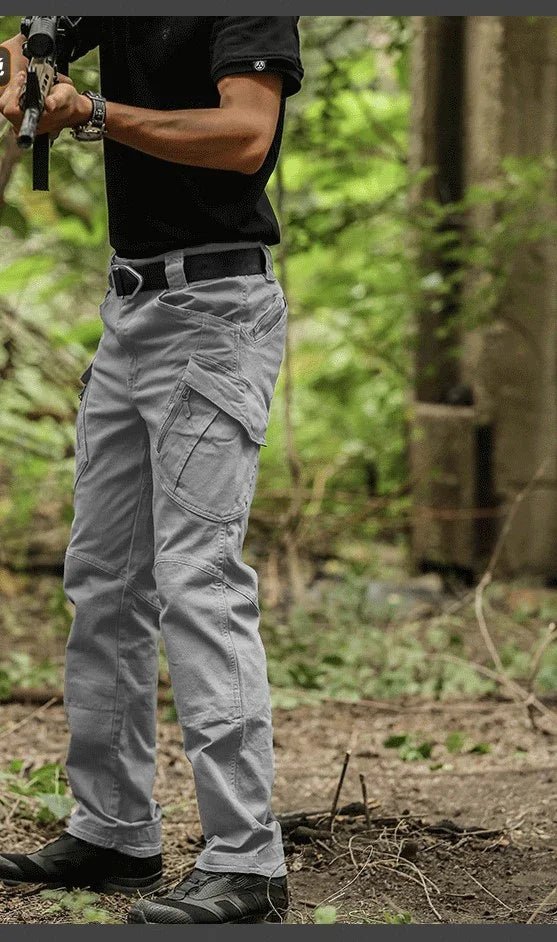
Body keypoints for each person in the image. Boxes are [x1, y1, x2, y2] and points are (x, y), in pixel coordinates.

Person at [0, 16, 303, 925]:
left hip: (216, 308)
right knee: (102, 582)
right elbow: (38, 47)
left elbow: (247, 136)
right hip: (129, 309)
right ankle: (115, 830)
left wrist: (90, 113)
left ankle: (247, 859)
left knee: (196, 580)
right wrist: (19, 68)